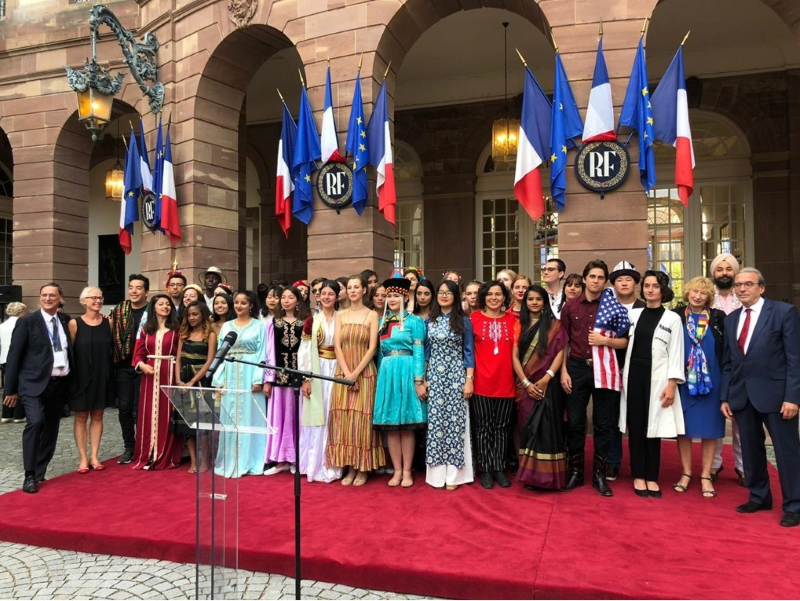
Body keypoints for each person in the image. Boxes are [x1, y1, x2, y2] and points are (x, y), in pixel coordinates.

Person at [720, 268, 800, 528]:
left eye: (748, 284)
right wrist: (726, 397)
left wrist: (793, 397)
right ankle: (759, 496)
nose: (742, 289)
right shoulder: (731, 320)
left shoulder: (783, 313)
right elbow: (729, 363)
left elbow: (794, 359)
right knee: (751, 451)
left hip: (778, 398)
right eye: (738, 285)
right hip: (742, 397)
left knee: (786, 453)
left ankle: (794, 505)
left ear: (761, 288)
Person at [560, 260, 629, 497]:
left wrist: (605, 341)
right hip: (577, 369)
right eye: (592, 277)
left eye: (601, 277)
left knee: (603, 424)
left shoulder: (614, 307)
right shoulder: (570, 307)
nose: (596, 281)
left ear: (605, 281)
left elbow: (625, 341)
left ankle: (599, 475)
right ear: (585, 278)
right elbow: (563, 342)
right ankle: (576, 472)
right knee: (576, 423)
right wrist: (563, 371)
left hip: (605, 369)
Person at [619, 271, 685, 498]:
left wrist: (672, 384)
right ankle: (638, 474)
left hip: (658, 377)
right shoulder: (633, 315)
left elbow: (676, 352)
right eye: (646, 286)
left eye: (655, 286)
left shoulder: (673, 319)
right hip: (633, 375)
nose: (650, 290)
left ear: (662, 289)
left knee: (653, 428)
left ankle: (651, 476)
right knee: (636, 426)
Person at [2, 283, 73, 493]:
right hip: (32, 384)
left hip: (58, 383)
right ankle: (29, 475)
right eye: (44, 295)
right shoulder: (27, 322)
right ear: (40, 298)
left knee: (51, 429)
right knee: (35, 422)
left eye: (52, 295)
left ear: (60, 297)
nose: (48, 298)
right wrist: (10, 390)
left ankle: (40, 471)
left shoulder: (65, 320)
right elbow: (13, 357)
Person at [327, 274, 383, 486]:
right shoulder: (340, 314)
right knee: (344, 420)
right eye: (349, 287)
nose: (352, 291)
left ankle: (362, 468)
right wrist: (346, 373)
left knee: (362, 420)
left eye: (356, 287)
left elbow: (372, 348)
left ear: (363, 291)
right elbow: (337, 346)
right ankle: (348, 466)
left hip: (365, 372)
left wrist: (355, 373)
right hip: (343, 372)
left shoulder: (371, 315)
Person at [673, 277, 726, 497]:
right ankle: (686, 472)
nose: (697, 296)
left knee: (710, 429)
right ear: (687, 293)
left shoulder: (717, 318)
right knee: (683, 430)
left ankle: (706, 475)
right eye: (694, 291)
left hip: (711, 379)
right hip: (684, 380)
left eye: (703, 293)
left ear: (709, 297)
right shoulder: (676, 316)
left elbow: (726, 348)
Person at [212, 291, 272, 478]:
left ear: (251, 305)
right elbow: (220, 354)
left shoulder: (259, 326)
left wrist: (257, 378)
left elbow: (263, 353)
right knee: (229, 417)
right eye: (236, 302)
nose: (239, 306)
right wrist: (219, 379)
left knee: (251, 417)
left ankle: (253, 460)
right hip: (230, 374)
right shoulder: (227, 326)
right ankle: (231, 460)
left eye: (243, 303)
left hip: (250, 374)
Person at [374, 277, 428, 488]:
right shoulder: (381, 323)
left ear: (405, 297)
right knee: (392, 427)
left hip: (407, 371)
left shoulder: (414, 322)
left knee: (406, 426)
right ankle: (396, 470)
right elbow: (379, 354)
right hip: (387, 372)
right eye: (389, 296)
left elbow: (419, 352)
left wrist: (418, 380)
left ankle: (407, 471)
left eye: (396, 295)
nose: (392, 299)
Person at [513, 285, 568, 490]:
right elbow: (514, 357)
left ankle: (548, 478)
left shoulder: (555, 325)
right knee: (526, 427)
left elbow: (560, 352)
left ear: (545, 302)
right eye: (530, 299)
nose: (534, 303)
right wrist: (526, 383)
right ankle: (529, 476)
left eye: (538, 299)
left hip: (547, 386)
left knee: (547, 428)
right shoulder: (519, 324)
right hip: (523, 385)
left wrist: (547, 377)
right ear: (525, 302)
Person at [425, 280, 474, 490]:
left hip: (456, 376)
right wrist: (422, 378)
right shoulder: (430, 320)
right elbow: (426, 352)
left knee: (456, 424)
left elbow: (469, 352)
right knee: (436, 423)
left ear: (456, 296)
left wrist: (469, 380)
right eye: (441, 292)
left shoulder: (463, 320)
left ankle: (455, 475)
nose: (444, 296)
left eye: (448, 293)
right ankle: (436, 475)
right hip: (434, 375)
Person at [470, 280, 516, 489]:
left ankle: (499, 467)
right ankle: (486, 469)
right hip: (481, 382)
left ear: (504, 297)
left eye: (498, 294)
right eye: (490, 294)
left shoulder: (513, 320)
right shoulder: (473, 319)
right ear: (484, 297)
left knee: (502, 427)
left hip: (506, 382)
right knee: (483, 427)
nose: (494, 298)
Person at [130, 294, 183, 470]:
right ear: (153, 307)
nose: (165, 307)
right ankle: (148, 453)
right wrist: (142, 365)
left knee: (167, 412)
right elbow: (138, 353)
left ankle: (164, 454)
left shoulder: (177, 329)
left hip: (170, 372)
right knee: (148, 412)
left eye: (168, 304)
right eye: (161, 304)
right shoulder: (146, 329)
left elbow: (180, 354)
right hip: (149, 375)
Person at [298, 280, 343, 483]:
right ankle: (313, 464)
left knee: (334, 414)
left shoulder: (343, 318)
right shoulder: (311, 321)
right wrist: (306, 378)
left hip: (338, 369)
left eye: (330, 294)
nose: (326, 297)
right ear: (318, 296)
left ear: (336, 297)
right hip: (317, 369)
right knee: (317, 415)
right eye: (323, 293)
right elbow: (305, 351)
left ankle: (333, 464)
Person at [67, 287, 114, 474]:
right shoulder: (74, 323)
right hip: (80, 376)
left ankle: (94, 455)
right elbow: (70, 351)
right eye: (93, 298)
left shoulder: (108, 322)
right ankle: (83, 458)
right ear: (83, 301)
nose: (97, 301)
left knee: (98, 415)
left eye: (100, 297)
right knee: (80, 417)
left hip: (102, 375)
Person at [606, 261, 646, 481]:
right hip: (612, 368)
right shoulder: (607, 308)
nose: (624, 283)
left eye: (628, 279)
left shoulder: (644, 307)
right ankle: (613, 461)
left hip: (639, 371)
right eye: (619, 279)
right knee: (613, 418)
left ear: (635, 283)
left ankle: (638, 462)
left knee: (637, 419)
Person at [709, 253, 745, 486]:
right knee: (714, 418)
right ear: (713, 273)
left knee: (741, 420)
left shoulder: (744, 296)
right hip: (713, 365)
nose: (724, 273)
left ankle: (743, 467)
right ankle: (713, 465)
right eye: (720, 269)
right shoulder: (705, 296)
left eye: (728, 269)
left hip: (741, 365)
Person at [264, 286, 308, 475]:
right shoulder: (273, 323)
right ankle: (281, 458)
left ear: (298, 300)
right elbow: (269, 352)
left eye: (291, 297)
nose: (286, 300)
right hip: (280, 377)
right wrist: (268, 378)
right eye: (284, 297)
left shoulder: (305, 322)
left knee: (297, 416)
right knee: (280, 417)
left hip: (299, 376)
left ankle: (297, 457)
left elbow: (307, 351)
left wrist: (307, 376)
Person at [110, 274, 149, 464]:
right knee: (124, 407)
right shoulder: (119, 310)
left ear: (146, 292)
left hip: (147, 366)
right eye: (131, 287)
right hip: (124, 365)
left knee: (143, 407)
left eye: (138, 288)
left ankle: (146, 445)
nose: (134, 291)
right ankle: (129, 446)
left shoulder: (153, 310)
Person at [175, 301, 216, 474]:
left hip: (202, 382)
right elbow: (178, 359)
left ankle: (205, 460)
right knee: (187, 424)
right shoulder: (183, 334)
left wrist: (193, 382)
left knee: (203, 423)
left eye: (195, 314)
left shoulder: (210, 334)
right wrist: (178, 380)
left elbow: (209, 361)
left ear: (203, 315)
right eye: (189, 315)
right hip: (183, 380)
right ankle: (193, 460)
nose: (191, 318)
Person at [0, 302, 27, 424]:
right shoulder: (22, 324)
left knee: (8, 385)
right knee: (21, 385)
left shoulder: (2, 326)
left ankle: (6, 413)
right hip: (18, 358)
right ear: (21, 311)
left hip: (4, 357)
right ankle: (19, 414)